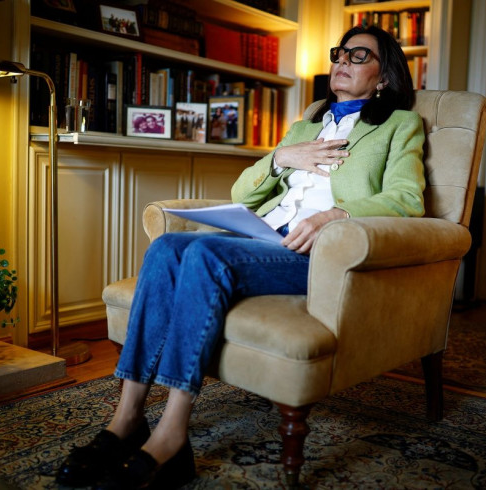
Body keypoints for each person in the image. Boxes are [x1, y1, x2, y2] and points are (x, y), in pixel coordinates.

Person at [56, 24, 425, 489]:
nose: (341, 63)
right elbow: (242, 192)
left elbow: (408, 200)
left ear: (384, 76)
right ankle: (127, 419)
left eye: (358, 56)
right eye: (339, 55)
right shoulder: (306, 124)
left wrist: (337, 214)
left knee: (205, 253)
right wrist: (280, 159)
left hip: (315, 252)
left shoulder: (399, 125)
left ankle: (171, 436)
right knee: (167, 246)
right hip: (263, 237)